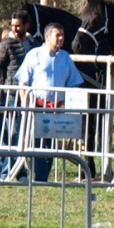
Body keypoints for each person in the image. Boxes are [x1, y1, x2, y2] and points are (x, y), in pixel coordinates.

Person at [15, 23, 84, 181]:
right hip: (37, 107)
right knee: (37, 144)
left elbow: (74, 83)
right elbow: (23, 82)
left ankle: (42, 178)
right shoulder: (34, 55)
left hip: (56, 109)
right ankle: (39, 178)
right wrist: (25, 105)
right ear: (47, 37)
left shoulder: (66, 57)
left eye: (62, 35)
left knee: (50, 146)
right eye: (57, 35)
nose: (61, 38)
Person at [0, 9, 36, 181]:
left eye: (18, 26)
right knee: (11, 134)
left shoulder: (34, 44)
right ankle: (10, 172)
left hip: (30, 95)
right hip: (11, 94)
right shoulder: (5, 45)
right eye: (13, 26)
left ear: (27, 25)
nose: (15, 29)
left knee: (24, 134)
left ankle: (19, 170)